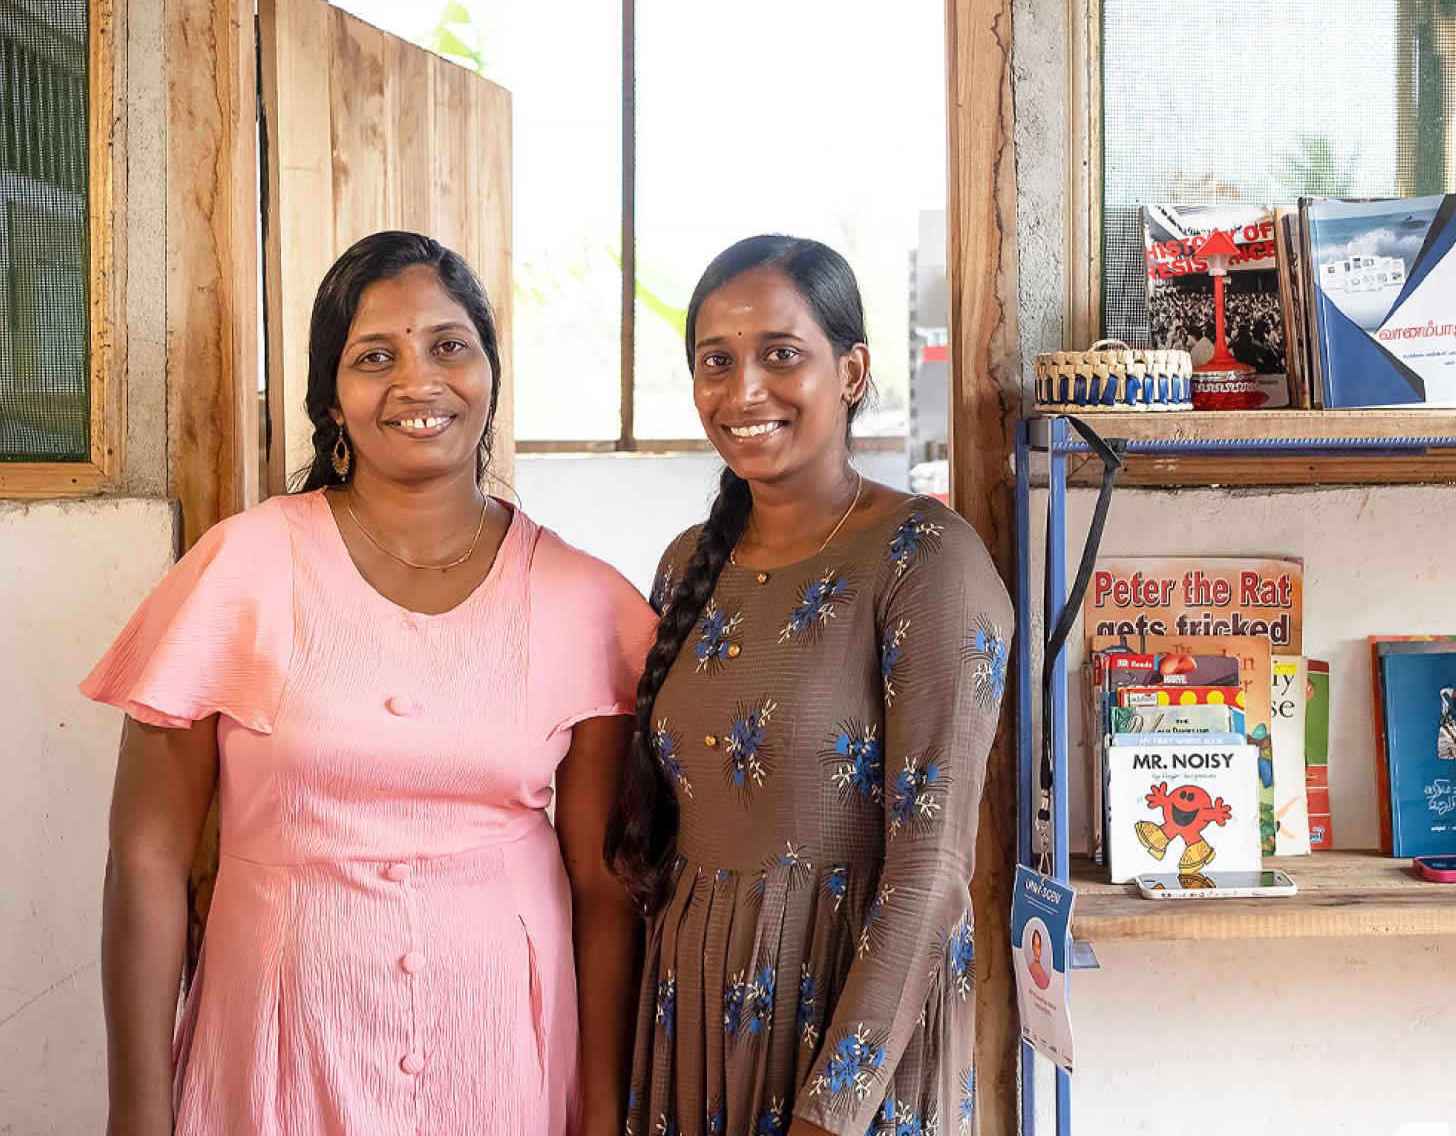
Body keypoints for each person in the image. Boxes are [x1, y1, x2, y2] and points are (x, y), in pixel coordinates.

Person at [83, 231, 652, 1135]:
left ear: (491, 373)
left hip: (504, 1068)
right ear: (333, 397)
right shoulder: (246, 567)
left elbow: (604, 888)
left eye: (449, 345)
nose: (417, 381)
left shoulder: (582, 600)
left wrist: (602, 1112)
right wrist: (137, 1116)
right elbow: (146, 857)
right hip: (276, 1065)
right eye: (374, 356)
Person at [606, 235, 1012, 1136]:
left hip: (849, 1029)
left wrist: (831, 1114)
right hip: (690, 1013)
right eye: (717, 361)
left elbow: (933, 871)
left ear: (853, 370)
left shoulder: (926, 559)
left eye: (781, 354)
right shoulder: (685, 565)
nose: (745, 389)